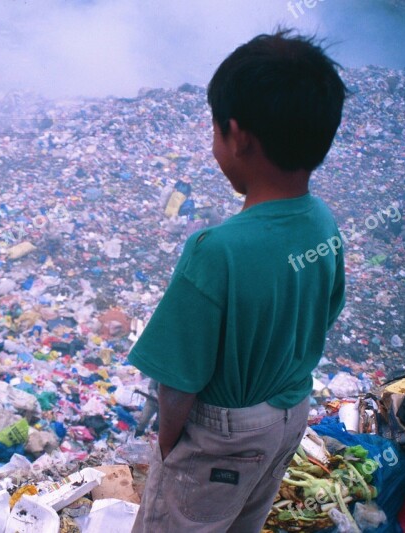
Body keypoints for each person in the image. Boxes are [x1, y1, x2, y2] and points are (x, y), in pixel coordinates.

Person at [128, 30, 347, 532]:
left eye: (214, 130)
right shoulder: (324, 222)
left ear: (237, 135)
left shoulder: (216, 250)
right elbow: (323, 314)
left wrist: (171, 450)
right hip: (289, 417)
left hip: (222, 436)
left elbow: (177, 386)